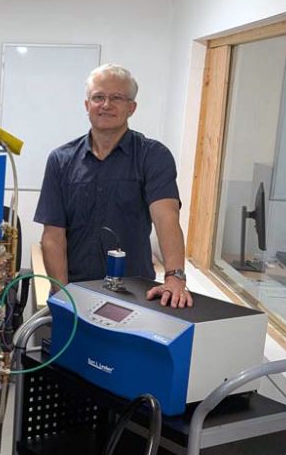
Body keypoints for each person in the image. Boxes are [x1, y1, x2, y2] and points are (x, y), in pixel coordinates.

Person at [35, 63, 193, 308]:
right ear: (87, 105)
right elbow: (53, 236)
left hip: (135, 293)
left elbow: (166, 219)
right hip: (76, 290)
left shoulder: (153, 156)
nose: (106, 105)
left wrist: (175, 277)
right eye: (98, 97)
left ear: (131, 107)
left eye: (117, 97)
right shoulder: (61, 160)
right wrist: (63, 295)